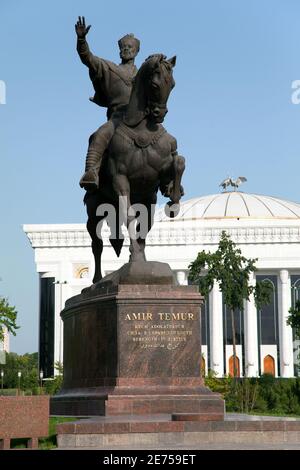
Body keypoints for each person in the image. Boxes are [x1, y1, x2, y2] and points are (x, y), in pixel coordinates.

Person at [75, 16, 140, 190]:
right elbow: (88, 58)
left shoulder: (143, 75)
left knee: (168, 142)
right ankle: (91, 172)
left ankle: (169, 183)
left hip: (142, 119)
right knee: (98, 136)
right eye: (124, 47)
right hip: (118, 118)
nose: (126, 50)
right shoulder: (110, 68)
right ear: (120, 51)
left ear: (136, 51)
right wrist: (82, 40)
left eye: (130, 47)